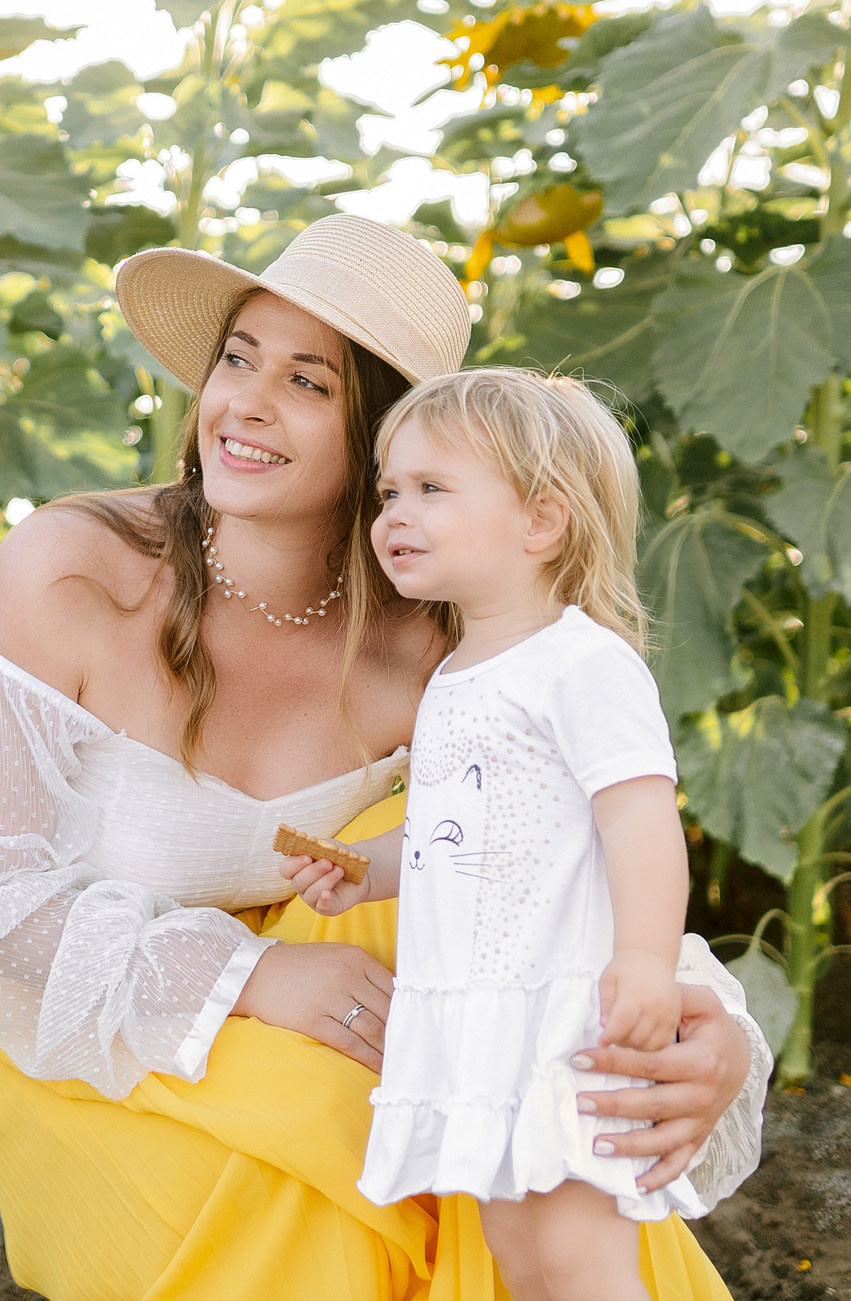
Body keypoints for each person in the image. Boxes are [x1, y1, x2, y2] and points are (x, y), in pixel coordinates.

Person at [0, 215, 770, 1301]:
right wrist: (251, 973)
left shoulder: (440, 639)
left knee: (519, 1110)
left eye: (308, 382)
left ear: (386, 441)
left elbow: (558, 861)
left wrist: (705, 1028)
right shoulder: (79, 571)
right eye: (237, 359)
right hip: (78, 1004)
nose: (245, 404)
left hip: (326, 957)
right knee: (352, 1137)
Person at [283, 368, 698, 1301]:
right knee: (518, 1249)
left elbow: (640, 814)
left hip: (561, 1015)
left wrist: (645, 958)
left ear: (542, 522)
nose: (395, 511)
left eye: (433, 489)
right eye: (390, 491)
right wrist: (367, 872)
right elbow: (450, 836)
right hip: (477, 1015)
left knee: (583, 1253)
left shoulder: (580, 661)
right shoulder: (459, 673)